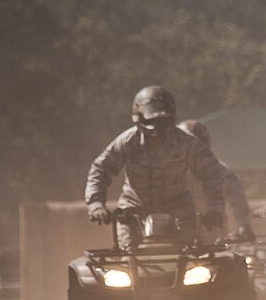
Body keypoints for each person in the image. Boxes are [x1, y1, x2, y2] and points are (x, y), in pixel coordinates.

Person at [85, 86, 225, 249]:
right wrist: (95, 204)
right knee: (127, 252)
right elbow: (101, 170)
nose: (157, 128)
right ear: (139, 119)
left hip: (178, 209)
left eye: (163, 121)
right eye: (151, 121)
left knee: (188, 253)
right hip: (133, 211)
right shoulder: (127, 141)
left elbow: (211, 173)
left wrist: (216, 208)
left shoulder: (186, 142)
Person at [177, 119, 256, 242]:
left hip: (212, 227)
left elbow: (237, 198)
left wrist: (244, 226)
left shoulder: (219, 170)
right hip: (178, 229)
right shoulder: (168, 170)